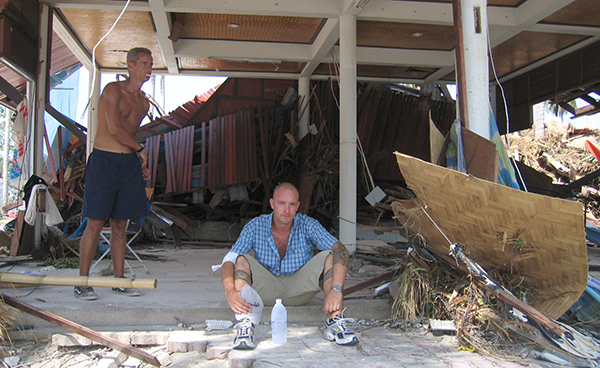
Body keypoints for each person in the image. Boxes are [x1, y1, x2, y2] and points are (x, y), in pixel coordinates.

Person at [219, 182, 359, 349]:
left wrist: (337, 290)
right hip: (266, 289)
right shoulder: (255, 226)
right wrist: (230, 291)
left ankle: (335, 321)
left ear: (298, 206)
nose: (287, 210)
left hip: (298, 289)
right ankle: (245, 325)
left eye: (292, 204)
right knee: (241, 259)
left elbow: (340, 250)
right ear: (272, 204)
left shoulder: (308, 224)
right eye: (281, 203)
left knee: (329, 256)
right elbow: (229, 259)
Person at [74, 47, 153, 300]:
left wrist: (138, 160)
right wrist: (141, 150)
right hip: (104, 161)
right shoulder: (112, 90)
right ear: (130, 65)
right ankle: (83, 282)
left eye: (150, 64)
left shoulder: (144, 102)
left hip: (127, 164)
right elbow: (114, 128)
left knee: (121, 225)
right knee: (95, 223)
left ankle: (119, 281)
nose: (148, 68)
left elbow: (130, 134)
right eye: (143, 63)